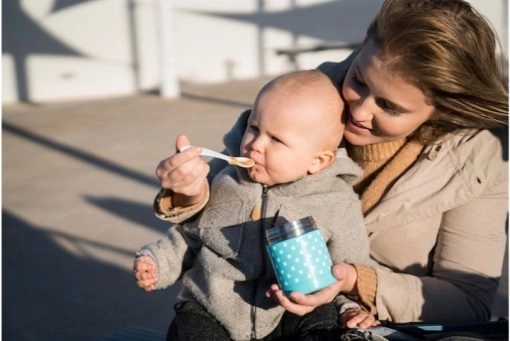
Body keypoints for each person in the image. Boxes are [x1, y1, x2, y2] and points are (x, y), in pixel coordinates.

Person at [144, 0, 508, 333]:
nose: (360, 111)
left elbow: (469, 301)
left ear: (442, 108)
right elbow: (227, 201)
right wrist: (186, 192)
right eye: (359, 80)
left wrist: (354, 281)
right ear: (361, 49)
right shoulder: (302, 98)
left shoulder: (480, 159)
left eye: (390, 107)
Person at [133, 70, 378, 340]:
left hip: (292, 308)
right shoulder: (225, 180)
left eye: (277, 140)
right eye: (254, 128)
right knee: (189, 326)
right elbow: (189, 234)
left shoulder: (336, 201)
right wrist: (158, 261)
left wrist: (349, 307)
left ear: (317, 161)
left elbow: (347, 265)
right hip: (212, 306)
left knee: (323, 325)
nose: (255, 145)